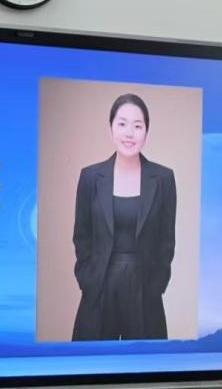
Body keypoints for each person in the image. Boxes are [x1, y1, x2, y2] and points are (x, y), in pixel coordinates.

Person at [70, 93, 176, 341]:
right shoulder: (90, 177)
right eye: (122, 124)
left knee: (143, 363)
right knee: (92, 362)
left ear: (146, 131)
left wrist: (157, 284)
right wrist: (87, 279)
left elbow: (166, 240)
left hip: (145, 290)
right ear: (111, 128)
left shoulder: (163, 179)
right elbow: (81, 236)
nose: (129, 133)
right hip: (98, 287)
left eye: (138, 126)